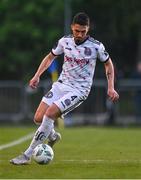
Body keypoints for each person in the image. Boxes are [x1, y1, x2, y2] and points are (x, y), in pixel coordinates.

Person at [10, 12, 119, 165]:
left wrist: (111, 87)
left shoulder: (96, 46)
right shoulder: (64, 41)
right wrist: (37, 75)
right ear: (72, 27)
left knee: (49, 115)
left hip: (79, 91)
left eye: (83, 31)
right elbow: (50, 57)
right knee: (38, 118)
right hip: (61, 85)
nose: (79, 34)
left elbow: (108, 63)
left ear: (87, 29)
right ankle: (53, 136)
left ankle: (26, 155)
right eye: (76, 31)